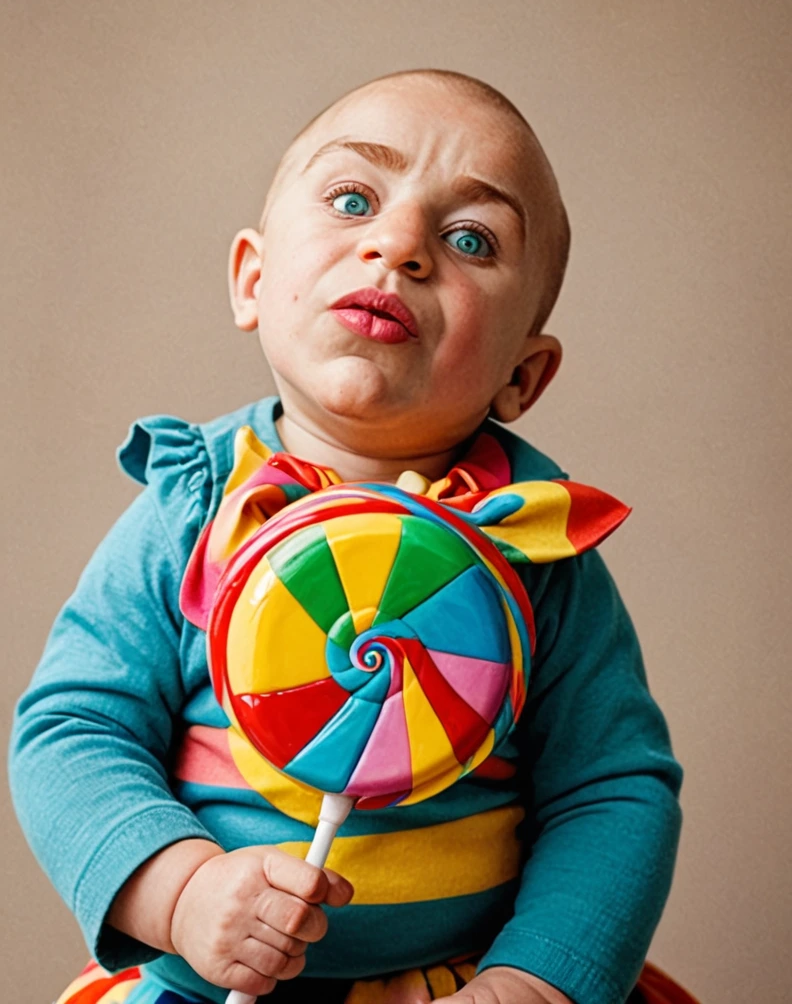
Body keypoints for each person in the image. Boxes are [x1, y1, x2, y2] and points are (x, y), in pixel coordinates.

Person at [10, 69, 684, 1004]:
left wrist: (534, 985)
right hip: (208, 986)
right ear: (252, 278)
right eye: (354, 198)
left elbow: (611, 794)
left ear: (522, 376)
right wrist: (182, 890)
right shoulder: (196, 506)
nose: (399, 245)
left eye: (469, 238)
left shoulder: (533, 541)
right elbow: (73, 731)